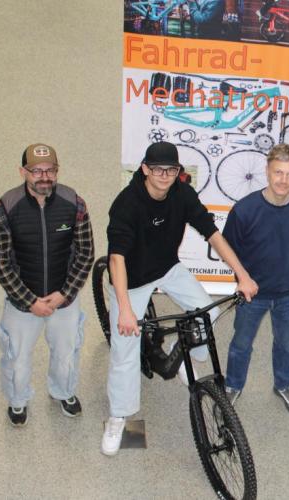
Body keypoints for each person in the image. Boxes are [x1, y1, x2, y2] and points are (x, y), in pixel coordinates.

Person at [101, 141, 258, 456]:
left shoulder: (182, 194)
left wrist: (242, 274)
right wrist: (126, 310)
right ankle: (119, 416)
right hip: (130, 279)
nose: (164, 175)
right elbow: (115, 259)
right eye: (157, 169)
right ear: (145, 169)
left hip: (167, 268)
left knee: (206, 316)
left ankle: (178, 353)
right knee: (125, 349)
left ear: (177, 172)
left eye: (170, 170)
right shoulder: (127, 204)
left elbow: (213, 234)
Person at [0, 143, 94, 427]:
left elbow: (85, 254)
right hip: (22, 301)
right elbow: (0, 262)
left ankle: (64, 392)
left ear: (57, 171)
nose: (44, 177)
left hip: (64, 298)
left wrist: (64, 294)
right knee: (17, 359)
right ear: (23, 172)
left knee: (67, 354)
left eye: (50, 170)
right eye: (36, 171)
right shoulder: (4, 209)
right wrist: (30, 301)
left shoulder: (75, 204)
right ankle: (18, 401)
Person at [221, 144, 289, 413]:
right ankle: (233, 385)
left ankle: (284, 384)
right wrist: (243, 279)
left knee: (286, 342)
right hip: (252, 296)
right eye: (278, 172)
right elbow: (230, 250)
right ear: (267, 171)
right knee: (241, 343)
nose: (283, 180)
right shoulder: (245, 210)